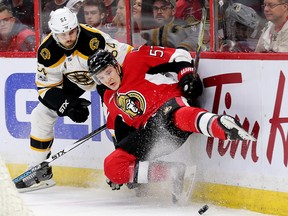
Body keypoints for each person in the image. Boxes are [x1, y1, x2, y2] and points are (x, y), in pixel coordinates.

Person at [87, 46, 256, 202]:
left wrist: (187, 75)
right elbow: (119, 136)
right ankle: (173, 173)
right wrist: (126, 173)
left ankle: (219, 125)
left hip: (168, 106)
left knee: (176, 116)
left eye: (108, 72)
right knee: (112, 166)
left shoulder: (135, 58)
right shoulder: (109, 99)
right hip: (151, 132)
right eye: (100, 78)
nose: (107, 80)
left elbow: (178, 55)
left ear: (116, 65)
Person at [14, 7, 132, 191]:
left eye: (71, 31)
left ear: (77, 27)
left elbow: (129, 57)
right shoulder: (47, 51)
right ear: (54, 33)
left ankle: (129, 166)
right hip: (75, 82)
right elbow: (46, 88)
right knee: (41, 113)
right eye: (62, 35)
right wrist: (68, 106)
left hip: (107, 79)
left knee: (116, 115)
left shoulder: (94, 39)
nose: (68, 38)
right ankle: (39, 171)